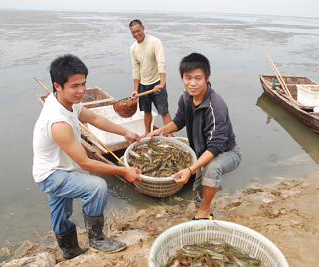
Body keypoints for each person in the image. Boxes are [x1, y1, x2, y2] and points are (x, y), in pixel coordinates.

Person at [32, 54, 142, 259]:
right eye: (75, 86)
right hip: (52, 173)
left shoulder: (66, 101)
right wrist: (123, 170)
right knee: (97, 187)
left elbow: (93, 117)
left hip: (55, 166)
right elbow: (85, 162)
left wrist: (124, 132)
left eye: (83, 84)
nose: (81, 90)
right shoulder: (58, 123)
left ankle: (70, 251)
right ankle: (97, 239)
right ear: (58, 86)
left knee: (60, 209)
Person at [149, 53, 242, 220]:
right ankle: (202, 207)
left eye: (198, 78)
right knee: (199, 184)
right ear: (182, 78)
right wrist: (160, 131)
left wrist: (190, 169)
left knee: (211, 169)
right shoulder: (186, 98)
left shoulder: (215, 106)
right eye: (188, 78)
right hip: (204, 151)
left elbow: (216, 147)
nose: (192, 83)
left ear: (207, 78)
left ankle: (204, 212)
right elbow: (179, 121)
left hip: (227, 152)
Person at [129, 19, 172, 136]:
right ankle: (147, 133)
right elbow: (136, 70)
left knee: (164, 111)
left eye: (138, 31)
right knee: (146, 112)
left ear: (143, 27)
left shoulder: (155, 42)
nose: (136, 34)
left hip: (157, 83)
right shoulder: (133, 48)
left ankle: (171, 135)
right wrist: (135, 89)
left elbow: (161, 63)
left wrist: (162, 83)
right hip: (143, 85)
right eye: (133, 32)